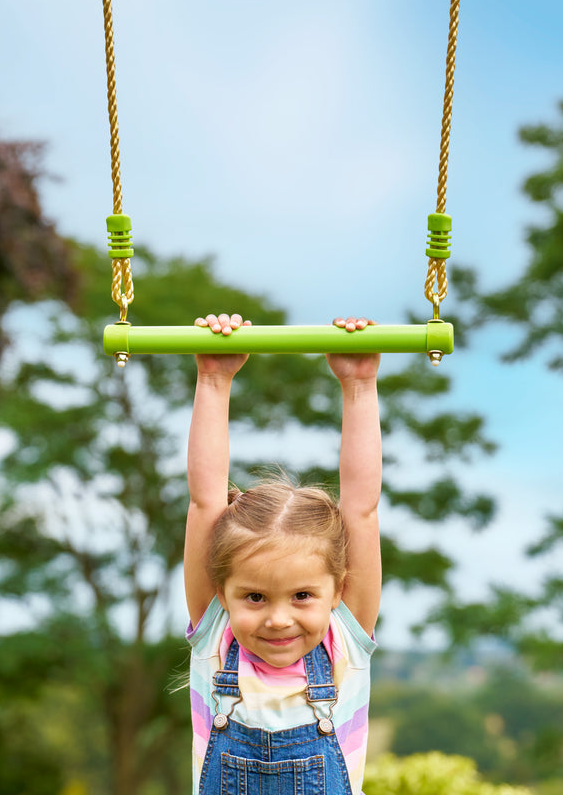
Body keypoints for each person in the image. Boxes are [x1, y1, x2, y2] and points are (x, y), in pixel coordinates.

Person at [185, 312, 382, 795]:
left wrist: (358, 386)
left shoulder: (345, 638)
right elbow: (205, 499)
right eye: (254, 597)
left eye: (301, 596)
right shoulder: (217, 633)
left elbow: (361, 509)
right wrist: (213, 378)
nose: (278, 619)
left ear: (339, 589)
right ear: (222, 592)